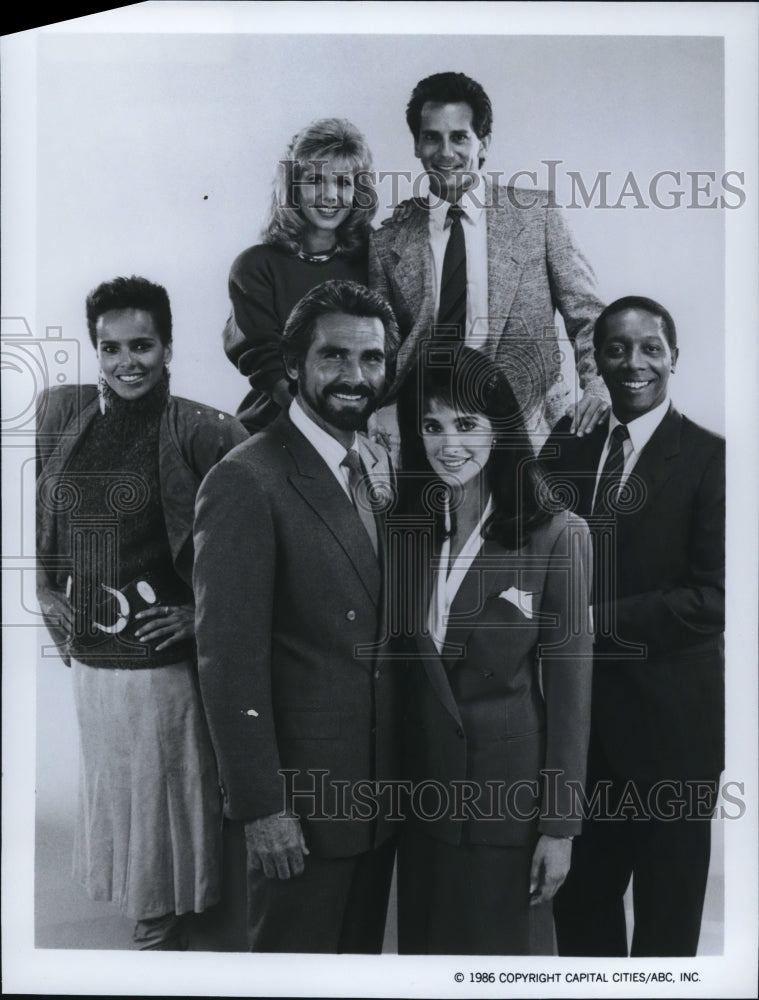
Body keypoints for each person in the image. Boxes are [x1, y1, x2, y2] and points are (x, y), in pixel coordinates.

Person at [36, 275, 248, 950]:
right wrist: (46, 593)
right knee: (120, 789)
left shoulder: (203, 430)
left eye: (143, 346)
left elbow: (249, 548)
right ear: (95, 350)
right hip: (93, 659)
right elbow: (44, 515)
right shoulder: (61, 414)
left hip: (163, 664)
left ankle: (164, 924)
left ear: (168, 346)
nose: (128, 361)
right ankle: (147, 909)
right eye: (111, 348)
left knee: (167, 790)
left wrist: (197, 614)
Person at [193, 279, 403, 953]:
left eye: (370, 359)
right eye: (334, 356)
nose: (354, 375)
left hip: (376, 802)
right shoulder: (244, 479)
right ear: (293, 364)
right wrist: (263, 808)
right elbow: (228, 663)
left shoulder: (372, 466)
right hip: (302, 810)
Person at [393, 342, 593, 955]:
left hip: (507, 806)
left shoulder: (558, 534)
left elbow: (571, 698)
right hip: (420, 802)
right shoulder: (406, 529)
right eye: (431, 425)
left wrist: (559, 829)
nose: (448, 444)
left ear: (500, 429)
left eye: (466, 424)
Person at [543, 296, 725, 957]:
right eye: (615, 348)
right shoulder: (566, 447)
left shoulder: (713, 459)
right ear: (595, 360)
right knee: (583, 931)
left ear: (673, 357)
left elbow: (713, 597)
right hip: (580, 747)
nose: (632, 362)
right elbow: (519, 545)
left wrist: (588, 621)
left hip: (671, 746)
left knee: (665, 940)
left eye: (649, 347)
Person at [369, 70, 608, 447]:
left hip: (531, 428)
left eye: (460, 137)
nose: (446, 153)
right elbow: (381, 347)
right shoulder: (387, 243)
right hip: (427, 433)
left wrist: (597, 387)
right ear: (416, 144)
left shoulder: (537, 215)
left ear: (483, 143)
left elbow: (589, 316)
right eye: (432, 137)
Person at [223, 117, 376, 433]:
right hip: (279, 424)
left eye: (344, 182)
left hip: (361, 423)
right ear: (293, 186)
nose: (330, 196)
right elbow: (266, 364)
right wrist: (325, 430)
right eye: (316, 180)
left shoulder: (373, 259)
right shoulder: (255, 266)